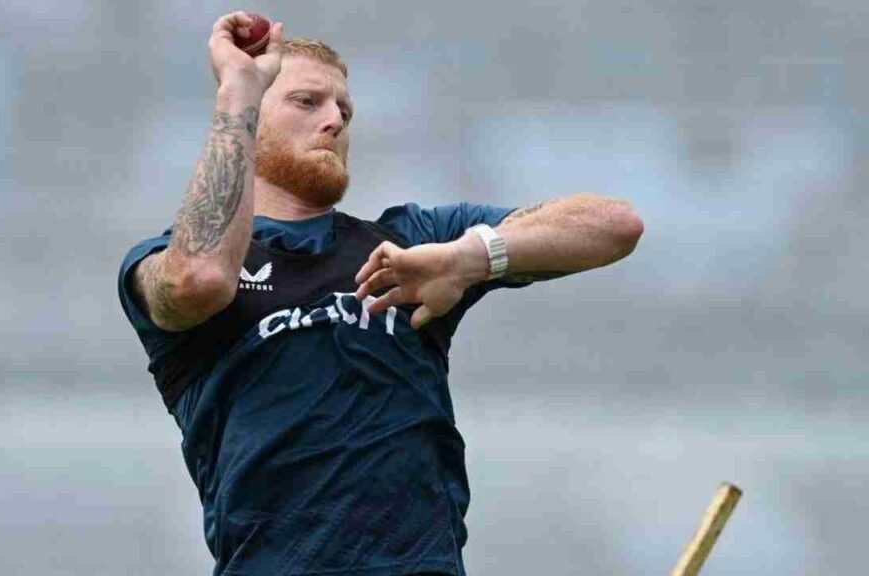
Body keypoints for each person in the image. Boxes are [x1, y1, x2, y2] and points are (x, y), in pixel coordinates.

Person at [118, 11, 643, 576]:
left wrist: (467, 259)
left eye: (344, 110)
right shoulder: (165, 260)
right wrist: (238, 88)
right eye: (306, 102)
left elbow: (614, 224)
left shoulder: (413, 242)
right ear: (250, 116)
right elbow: (199, 281)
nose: (334, 121)